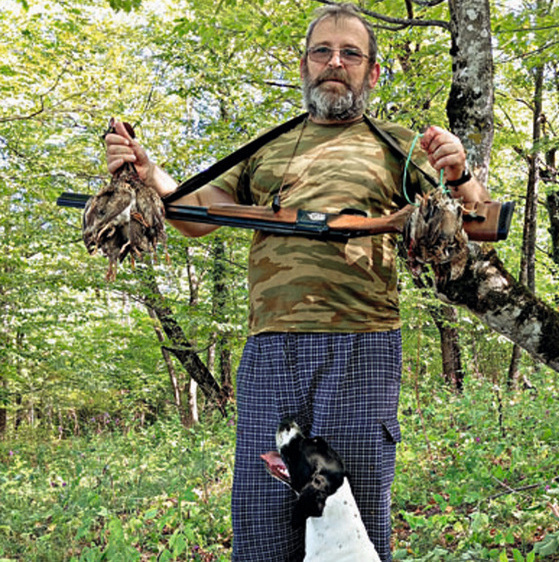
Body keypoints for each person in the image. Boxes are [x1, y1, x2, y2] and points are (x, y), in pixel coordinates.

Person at [105, 4, 491, 560]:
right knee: (264, 525)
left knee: (352, 524)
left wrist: (458, 172)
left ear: (373, 72)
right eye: (322, 51)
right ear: (304, 65)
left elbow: (474, 223)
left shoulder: (400, 145)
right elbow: (196, 215)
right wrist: (150, 173)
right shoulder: (265, 147)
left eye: (351, 53)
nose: (335, 62)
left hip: (364, 345)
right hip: (271, 349)